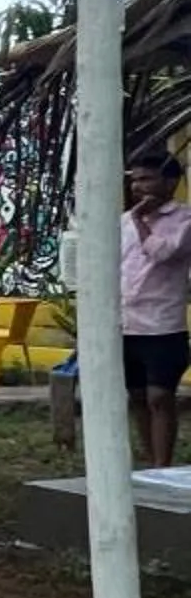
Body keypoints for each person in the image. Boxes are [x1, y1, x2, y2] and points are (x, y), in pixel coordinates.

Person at [120, 149, 191, 468]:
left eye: (147, 179)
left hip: (163, 326)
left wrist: (139, 220)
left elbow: (163, 253)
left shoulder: (184, 220)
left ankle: (163, 466)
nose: (138, 187)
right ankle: (150, 461)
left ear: (171, 182)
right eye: (134, 181)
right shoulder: (123, 222)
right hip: (127, 325)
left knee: (159, 397)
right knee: (136, 398)